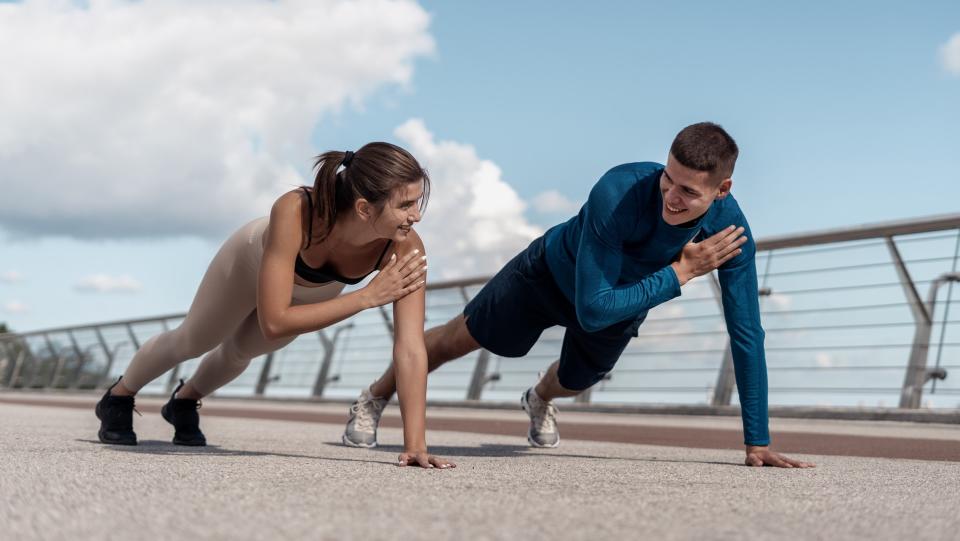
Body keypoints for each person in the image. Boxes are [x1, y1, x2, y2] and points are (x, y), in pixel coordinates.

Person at [343, 123, 814, 468]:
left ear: (723, 190)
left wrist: (758, 441)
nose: (670, 195)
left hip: (622, 299)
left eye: (689, 191)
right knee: (457, 339)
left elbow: (747, 333)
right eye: (668, 179)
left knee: (577, 377)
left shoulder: (730, 234)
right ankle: (374, 397)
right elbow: (592, 308)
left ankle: (539, 398)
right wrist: (681, 271)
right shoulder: (619, 189)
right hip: (549, 273)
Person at [95, 142, 454, 469]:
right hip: (248, 263)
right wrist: (367, 297)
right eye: (406, 204)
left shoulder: (406, 248)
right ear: (363, 208)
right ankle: (119, 396)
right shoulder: (296, 209)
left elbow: (409, 348)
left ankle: (184, 402)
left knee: (240, 351)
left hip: (314, 293)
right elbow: (275, 321)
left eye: (417, 202)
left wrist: (415, 446)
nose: (416, 216)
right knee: (194, 340)